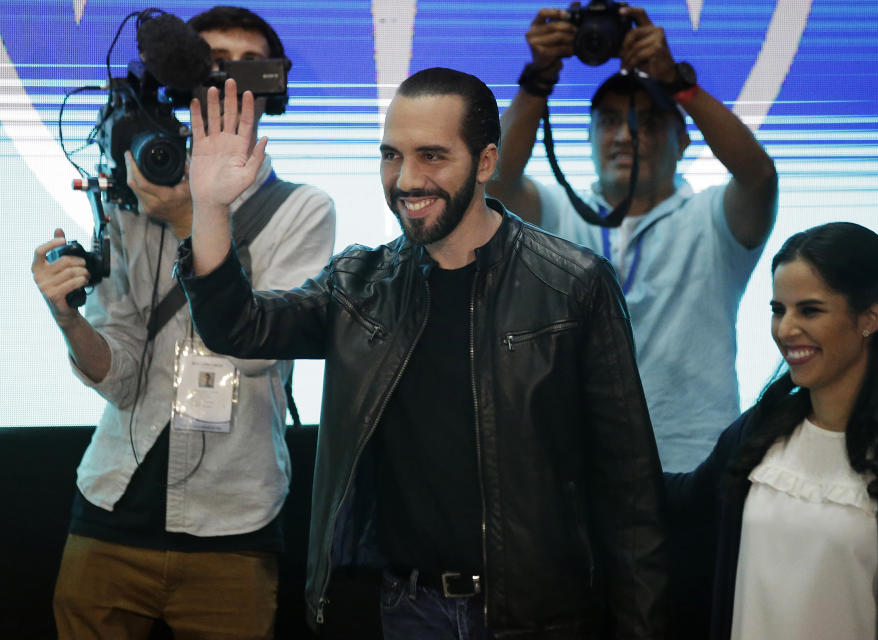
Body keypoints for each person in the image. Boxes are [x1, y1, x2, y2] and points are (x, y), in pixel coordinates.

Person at [178, 67, 667, 638]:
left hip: (539, 618)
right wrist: (210, 207)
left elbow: (630, 494)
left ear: (485, 163)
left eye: (432, 156)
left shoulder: (573, 285)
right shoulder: (359, 284)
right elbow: (237, 326)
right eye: (392, 156)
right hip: (403, 612)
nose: (406, 179)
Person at [31, 7, 336, 639]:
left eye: (244, 69)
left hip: (233, 522)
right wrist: (67, 319)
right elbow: (118, 377)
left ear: (270, 92)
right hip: (110, 505)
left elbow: (255, 349)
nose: (224, 84)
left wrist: (188, 219)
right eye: (208, 65)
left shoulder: (303, 209)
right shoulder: (134, 201)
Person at [488, 6, 779, 471]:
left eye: (647, 121)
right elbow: (495, 181)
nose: (625, 135)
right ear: (587, 136)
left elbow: (759, 176)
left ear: (684, 141)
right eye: (607, 121)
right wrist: (538, 78)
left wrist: (678, 82)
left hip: (692, 462)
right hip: (575, 468)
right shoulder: (559, 214)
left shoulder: (712, 219)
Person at [663, 222, 878, 639]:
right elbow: (684, 503)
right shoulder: (758, 431)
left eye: (810, 310)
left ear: (870, 317)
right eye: (778, 309)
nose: (785, 330)